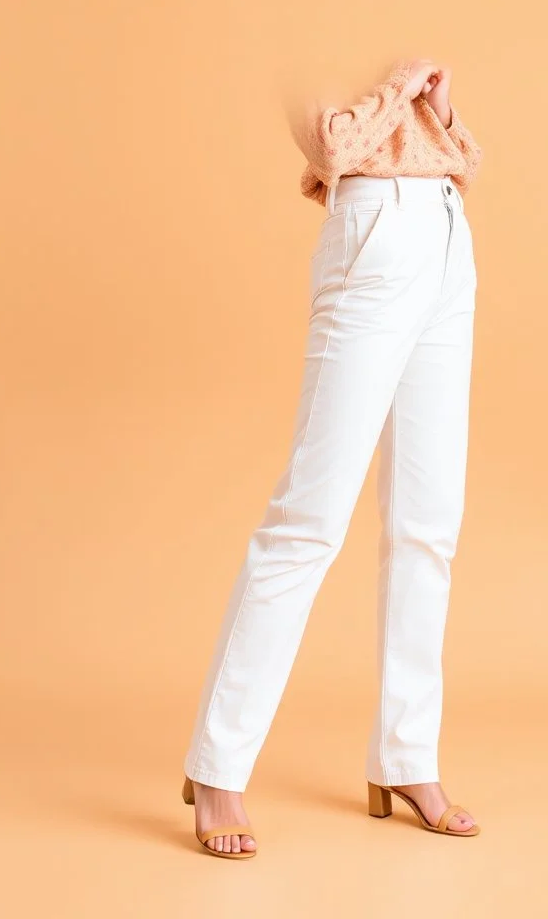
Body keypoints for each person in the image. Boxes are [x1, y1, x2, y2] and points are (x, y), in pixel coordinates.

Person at [181, 58, 484, 859]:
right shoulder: (310, 35)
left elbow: (468, 163)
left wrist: (443, 113)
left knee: (429, 524)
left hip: (449, 239)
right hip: (373, 238)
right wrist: (395, 81)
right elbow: (334, 143)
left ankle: (407, 755)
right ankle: (218, 766)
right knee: (309, 521)